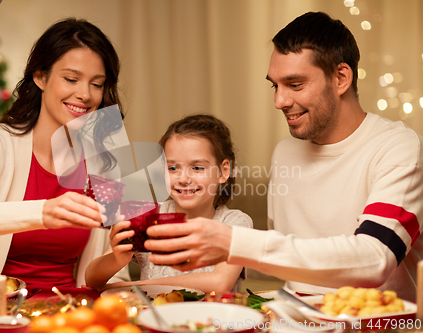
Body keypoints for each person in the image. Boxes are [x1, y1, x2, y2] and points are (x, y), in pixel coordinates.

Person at [144, 12, 423, 302]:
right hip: (292, 319)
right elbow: (289, 263)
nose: (279, 101)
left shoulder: (397, 148)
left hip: (373, 322)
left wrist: (232, 241)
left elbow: (375, 260)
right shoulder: (285, 152)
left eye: (295, 84)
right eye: (275, 85)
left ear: (341, 78)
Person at [0, 18, 129, 288]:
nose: (85, 94)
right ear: (40, 76)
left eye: (97, 84)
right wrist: (43, 212)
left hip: (68, 318)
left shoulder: (104, 162)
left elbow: (114, 273)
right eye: (71, 79)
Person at [85, 115, 253, 293]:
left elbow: (220, 283)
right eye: (173, 168)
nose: (183, 179)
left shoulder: (235, 224)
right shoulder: (147, 217)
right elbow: (91, 278)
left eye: (197, 168)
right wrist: (117, 258)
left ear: (223, 171)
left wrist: (131, 286)